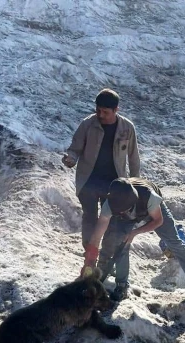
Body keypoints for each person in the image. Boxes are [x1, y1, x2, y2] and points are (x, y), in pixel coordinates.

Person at [81, 177, 185, 302]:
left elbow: (158, 220)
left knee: (175, 243)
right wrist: (89, 261)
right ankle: (121, 286)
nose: (124, 212)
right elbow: (97, 236)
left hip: (153, 211)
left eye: (126, 209)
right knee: (119, 242)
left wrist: (135, 232)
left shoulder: (150, 197)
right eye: (120, 210)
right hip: (126, 217)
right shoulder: (110, 205)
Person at [63, 89, 140, 247]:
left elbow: (133, 158)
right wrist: (71, 158)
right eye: (98, 110)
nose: (101, 115)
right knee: (90, 217)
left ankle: (105, 253)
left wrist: (135, 184)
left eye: (105, 112)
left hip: (114, 184)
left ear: (116, 110)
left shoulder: (127, 128)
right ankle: (89, 253)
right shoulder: (87, 124)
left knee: (111, 220)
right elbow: (75, 148)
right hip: (88, 181)